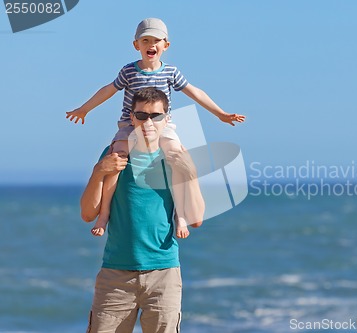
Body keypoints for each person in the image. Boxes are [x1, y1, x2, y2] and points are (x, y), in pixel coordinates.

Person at [67, 17, 244, 238]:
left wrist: (220, 113)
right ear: (136, 45)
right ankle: (104, 214)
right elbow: (108, 90)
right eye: (145, 40)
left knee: (177, 158)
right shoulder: (129, 71)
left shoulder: (170, 72)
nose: (151, 45)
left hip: (163, 126)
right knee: (117, 159)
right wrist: (84, 109)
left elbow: (194, 92)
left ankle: (180, 216)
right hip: (129, 125)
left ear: (165, 45)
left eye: (156, 41)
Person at [81, 87, 205, 333]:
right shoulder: (115, 154)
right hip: (115, 275)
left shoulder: (176, 156)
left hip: (164, 275)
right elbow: (88, 214)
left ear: (167, 119)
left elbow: (196, 219)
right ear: (131, 117)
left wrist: (190, 174)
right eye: (142, 116)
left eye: (156, 116)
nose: (149, 122)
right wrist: (98, 171)